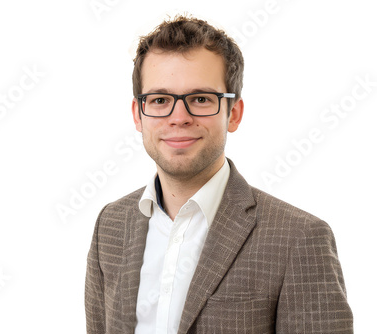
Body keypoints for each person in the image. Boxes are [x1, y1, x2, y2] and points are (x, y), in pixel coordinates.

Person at [85, 14, 353, 333]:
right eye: (159, 100)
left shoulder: (299, 238)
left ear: (233, 113)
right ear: (138, 114)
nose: (179, 117)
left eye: (200, 99)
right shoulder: (111, 226)